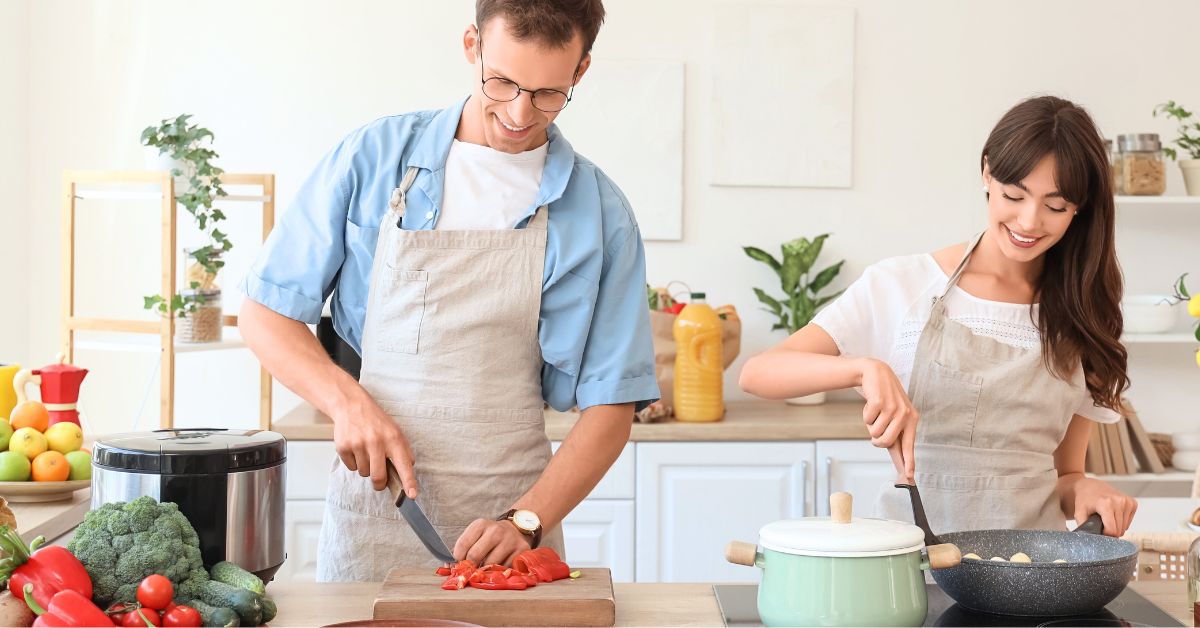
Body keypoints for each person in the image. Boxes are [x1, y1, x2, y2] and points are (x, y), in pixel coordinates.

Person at [238, 0, 658, 581]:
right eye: (502, 82)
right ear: (472, 45)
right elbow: (265, 314)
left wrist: (526, 521)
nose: (518, 112)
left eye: (546, 94)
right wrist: (347, 402)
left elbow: (613, 403)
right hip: (373, 515)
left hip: (516, 518)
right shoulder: (373, 158)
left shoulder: (600, 213)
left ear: (580, 71)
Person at [739, 95, 1138, 536]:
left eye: (1055, 206)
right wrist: (862, 371)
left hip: (1034, 577)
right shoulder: (903, 283)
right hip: (908, 567)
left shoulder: (1083, 312)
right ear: (987, 172)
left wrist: (1085, 490)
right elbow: (758, 374)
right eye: (1013, 195)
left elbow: (1065, 476)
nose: (1029, 221)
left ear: (1079, 208)